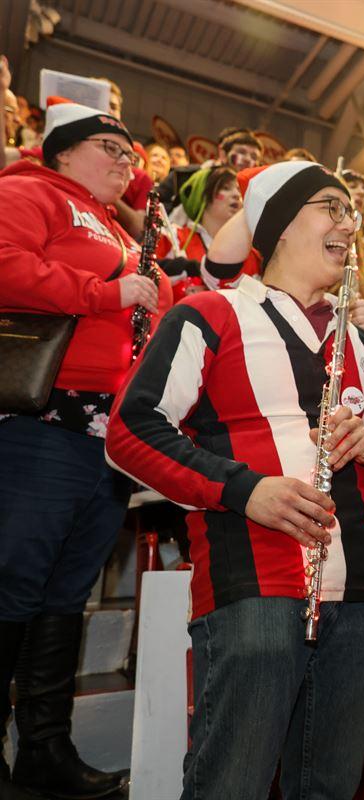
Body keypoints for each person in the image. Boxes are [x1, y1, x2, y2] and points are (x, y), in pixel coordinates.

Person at [105, 160, 364, 799]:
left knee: (330, 788)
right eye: (330, 205)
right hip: (255, 585)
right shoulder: (208, 313)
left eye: (350, 209)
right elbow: (130, 433)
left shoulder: (362, 343)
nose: (348, 220)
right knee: (232, 785)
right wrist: (246, 488)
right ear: (277, 227)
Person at [0, 101, 171, 800]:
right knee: (14, 580)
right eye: (111, 148)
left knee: (67, 594)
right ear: (63, 151)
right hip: (43, 422)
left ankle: (43, 749)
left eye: (131, 155)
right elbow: (5, 267)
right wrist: (103, 293)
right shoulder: (27, 190)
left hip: (106, 439)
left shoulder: (119, 229)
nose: (126, 163)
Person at [157, 166, 261, 301]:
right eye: (225, 188)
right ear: (203, 195)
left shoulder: (254, 254)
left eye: (238, 190)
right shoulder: (172, 237)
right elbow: (142, 270)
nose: (236, 195)